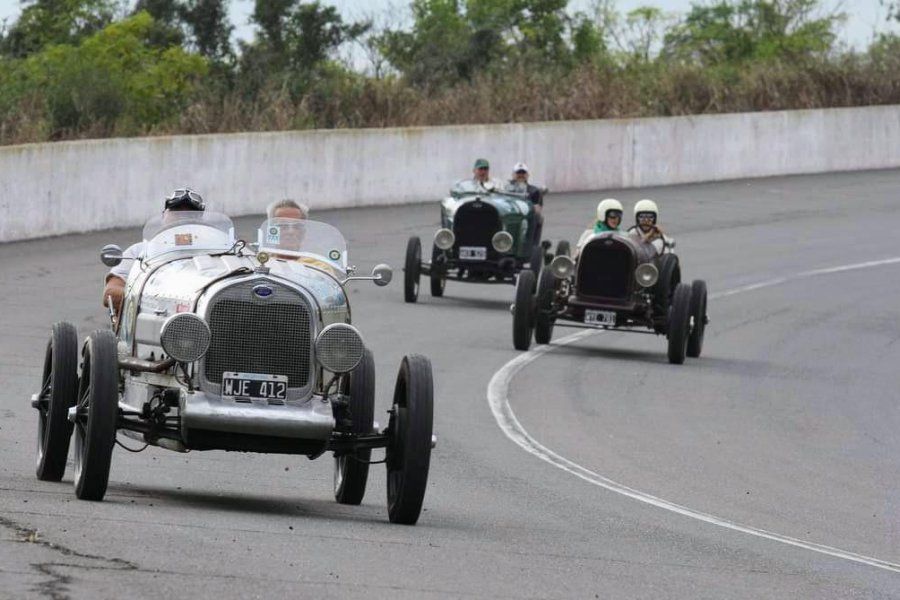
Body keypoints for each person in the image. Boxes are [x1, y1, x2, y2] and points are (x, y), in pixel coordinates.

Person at [101, 188, 205, 315]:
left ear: (201, 221)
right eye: (176, 212)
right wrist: (157, 301)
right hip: (150, 322)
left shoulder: (216, 253)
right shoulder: (139, 251)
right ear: (164, 215)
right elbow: (110, 294)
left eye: (190, 214)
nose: (182, 218)